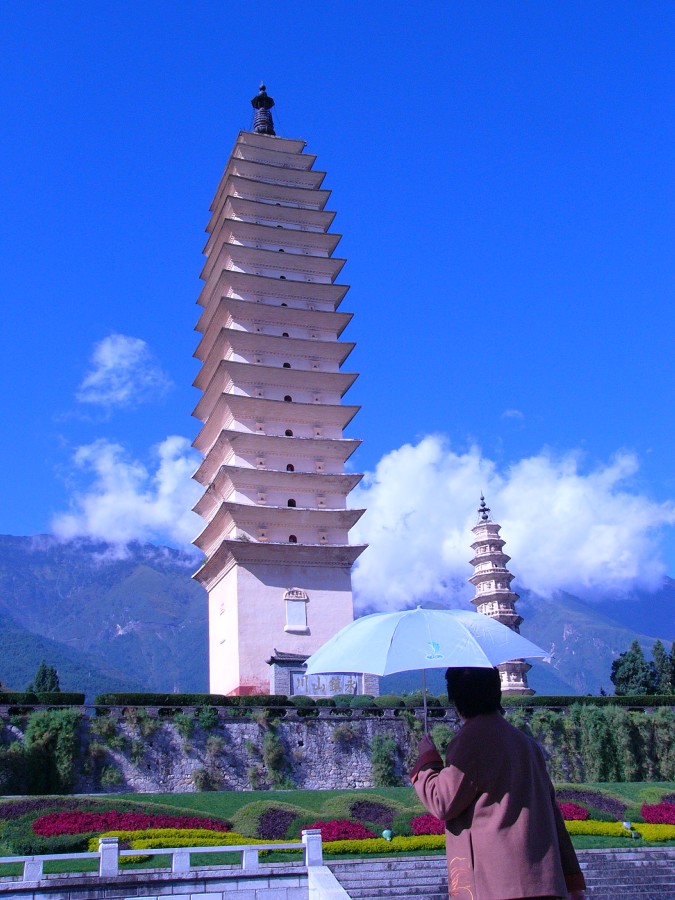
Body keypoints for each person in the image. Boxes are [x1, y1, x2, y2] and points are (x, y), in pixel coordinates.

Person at [411, 667, 586, 900]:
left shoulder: (470, 741)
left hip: (496, 885)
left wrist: (428, 761)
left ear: (457, 700)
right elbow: (553, 815)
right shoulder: (527, 744)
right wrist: (573, 883)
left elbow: (442, 801)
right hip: (543, 882)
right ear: (497, 692)